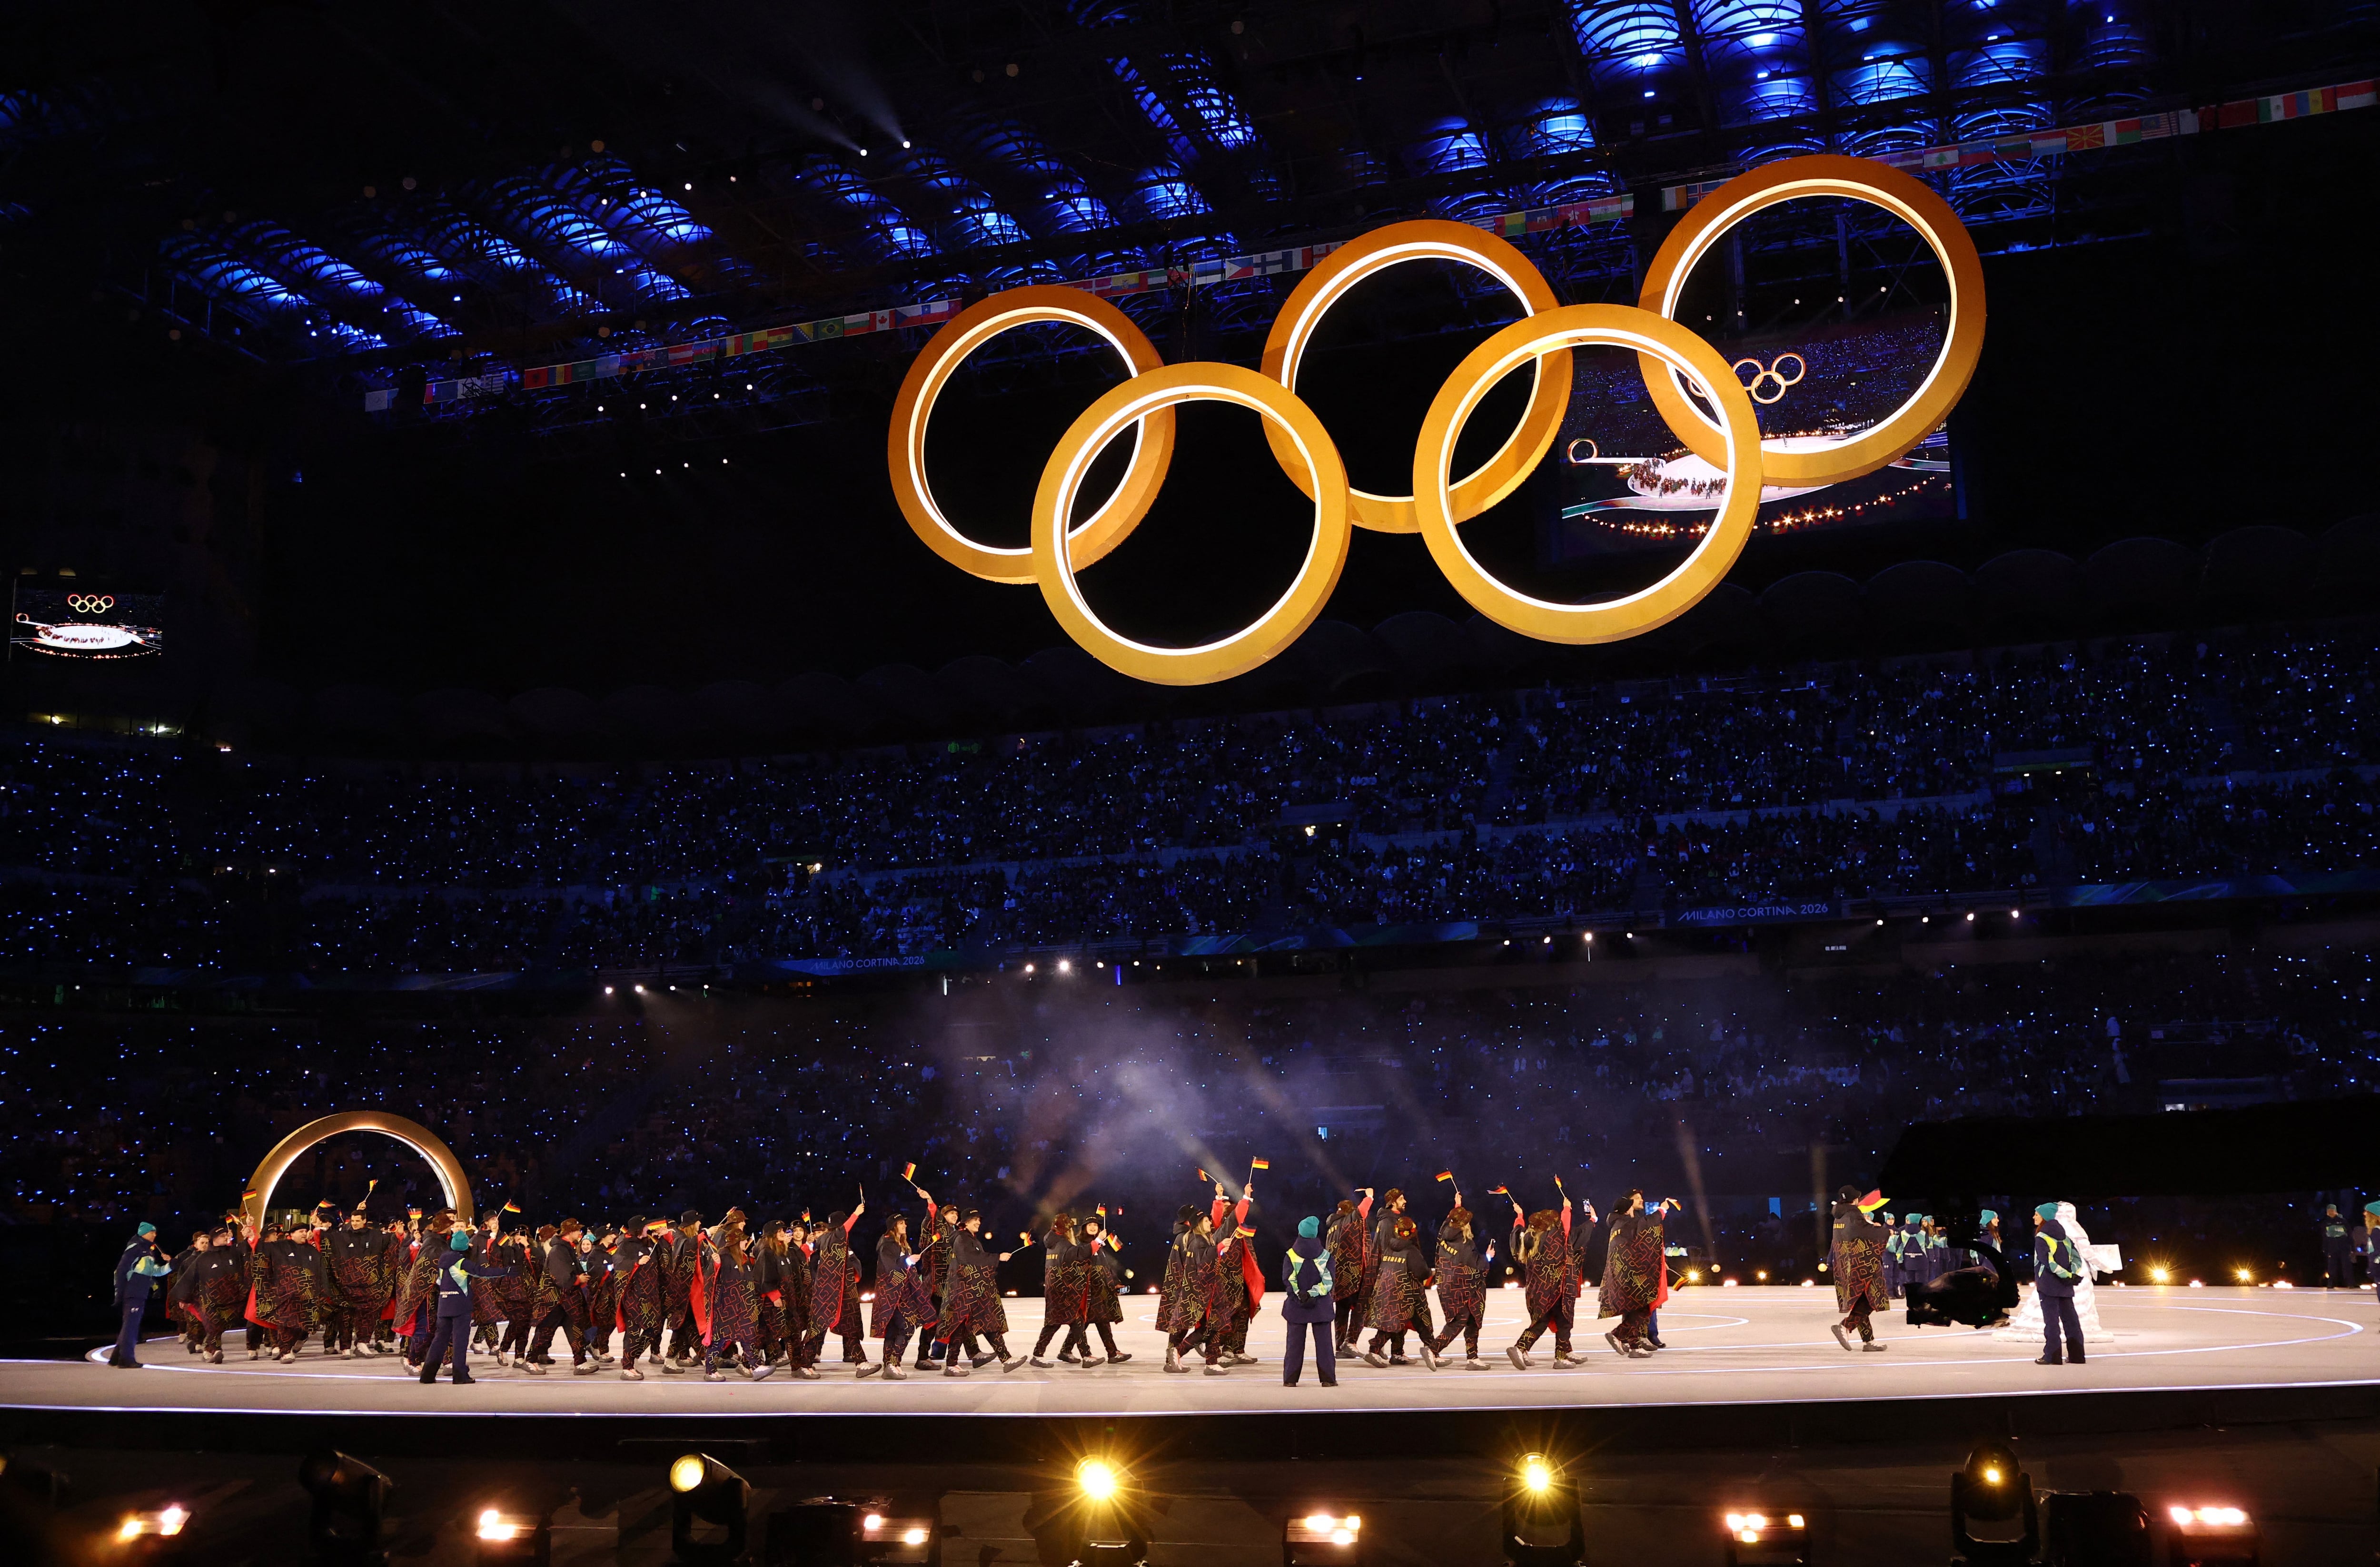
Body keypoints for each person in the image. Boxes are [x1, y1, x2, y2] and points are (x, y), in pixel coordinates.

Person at [1506, 1190, 1591, 1369]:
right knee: (1564, 1322)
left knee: (1542, 1322)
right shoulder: (1553, 1239)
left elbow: (1516, 1232)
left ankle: (1526, 1349)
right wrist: (1567, 1209)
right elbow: (1566, 1227)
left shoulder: (1529, 1240)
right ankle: (1555, 1357)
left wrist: (1520, 1217)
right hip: (1556, 1290)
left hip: (1537, 1292)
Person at [932, 1209, 1020, 1374]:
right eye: (974, 1220)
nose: (978, 1222)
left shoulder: (969, 1239)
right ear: (965, 1223)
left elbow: (975, 1260)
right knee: (971, 1326)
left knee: (977, 1325)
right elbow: (968, 1259)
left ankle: (1005, 1359)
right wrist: (997, 1258)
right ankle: (953, 1364)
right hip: (964, 1292)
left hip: (973, 1291)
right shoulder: (961, 1238)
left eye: (979, 1220)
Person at [417, 1232, 511, 1386]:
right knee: (460, 1342)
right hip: (460, 1306)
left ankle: (427, 1374)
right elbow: (482, 1272)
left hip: (444, 1305)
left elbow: (440, 1282)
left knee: (439, 1340)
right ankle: (460, 1375)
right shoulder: (462, 1263)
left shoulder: (443, 1261)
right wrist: (505, 1271)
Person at [692, 1221, 775, 1382]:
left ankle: (756, 1367)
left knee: (748, 1337)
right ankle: (710, 1371)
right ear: (736, 1242)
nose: (746, 1242)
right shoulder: (723, 1257)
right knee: (719, 1340)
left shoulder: (744, 1259)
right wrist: (716, 1265)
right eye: (743, 1240)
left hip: (744, 1307)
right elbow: (710, 1280)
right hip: (726, 1308)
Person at [804, 1195, 870, 1373]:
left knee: (832, 1328)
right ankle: (804, 1364)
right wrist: (856, 1213)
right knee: (826, 1329)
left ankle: (861, 1363)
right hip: (834, 1292)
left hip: (829, 1292)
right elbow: (846, 1228)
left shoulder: (823, 1239)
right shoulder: (837, 1236)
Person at [1597, 1191, 1666, 1357]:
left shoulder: (1617, 1223)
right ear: (1628, 1209)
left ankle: (1635, 1347)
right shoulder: (1628, 1223)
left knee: (1633, 1308)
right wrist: (1662, 1210)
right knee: (1642, 1308)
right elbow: (1649, 1223)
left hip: (1621, 1274)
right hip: (1631, 1274)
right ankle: (1617, 1334)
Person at [1360, 1214, 1436, 1368]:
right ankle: (1375, 1349)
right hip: (1404, 1295)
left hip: (1385, 1291)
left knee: (1397, 1323)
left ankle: (1398, 1353)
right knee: (1412, 1322)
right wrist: (1431, 1272)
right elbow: (1422, 1272)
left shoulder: (1389, 1248)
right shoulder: (1411, 1251)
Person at [523, 1219, 596, 1376]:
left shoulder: (566, 1248)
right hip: (554, 1301)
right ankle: (531, 1360)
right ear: (570, 1232)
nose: (580, 1233)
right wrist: (578, 1279)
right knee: (545, 1331)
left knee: (575, 1330)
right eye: (577, 1230)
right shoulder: (559, 1251)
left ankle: (580, 1362)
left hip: (566, 1300)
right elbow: (561, 1277)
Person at [1162, 1202, 1227, 1375]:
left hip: (1199, 1288)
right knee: (1187, 1326)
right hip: (1195, 1289)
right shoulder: (1193, 1239)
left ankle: (1210, 1362)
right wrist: (1219, 1248)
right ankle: (1176, 1354)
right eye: (1206, 1220)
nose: (1210, 1223)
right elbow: (1201, 1264)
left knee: (1208, 1325)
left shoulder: (1199, 1238)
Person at [1426, 1206, 1494, 1369]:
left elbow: (1447, 1221)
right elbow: (1479, 1267)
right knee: (1460, 1321)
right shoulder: (1465, 1245)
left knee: (1472, 1320)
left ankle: (1473, 1357)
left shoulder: (1444, 1235)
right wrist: (1488, 1257)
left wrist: (1457, 1207)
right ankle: (1433, 1350)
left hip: (1448, 1287)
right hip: (1465, 1290)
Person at [863, 1211, 929, 1380]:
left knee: (893, 1330)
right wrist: (908, 1261)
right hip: (892, 1296)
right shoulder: (887, 1245)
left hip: (903, 1295)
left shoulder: (902, 1244)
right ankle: (893, 1363)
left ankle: (890, 1365)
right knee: (908, 1327)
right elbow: (890, 1268)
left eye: (905, 1223)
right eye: (901, 1223)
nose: (905, 1225)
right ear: (893, 1227)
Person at [1826, 1186, 1890, 1352]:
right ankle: (1845, 1327)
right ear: (1854, 1200)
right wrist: (1884, 1231)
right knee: (1870, 1300)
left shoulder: (1839, 1216)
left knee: (1860, 1300)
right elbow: (1865, 1233)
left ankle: (1869, 1341)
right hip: (1862, 1265)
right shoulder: (1853, 1214)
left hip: (1846, 1265)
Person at [324, 1207, 390, 1358]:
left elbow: (391, 1246)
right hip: (345, 1286)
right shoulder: (341, 1236)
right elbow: (325, 1240)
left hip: (369, 1286)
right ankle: (345, 1347)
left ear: (364, 1221)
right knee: (346, 1317)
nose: (354, 1224)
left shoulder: (376, 1236)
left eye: (358, 1221)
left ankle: (362, 1343)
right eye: (353, 1221)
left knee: (368, 1316)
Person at [1279, 1215, 1337, 1387]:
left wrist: (1301, 1294)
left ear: (1300, 1232)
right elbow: (1329, 1281)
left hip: (1297, 1306)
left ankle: (1290, 1379)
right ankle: (1328, 1379)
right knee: (1325, 1345)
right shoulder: (1326, 1256)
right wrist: (1313, 1294)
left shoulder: (1291, 1255)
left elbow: (1289, 1279)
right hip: (1321, 1307)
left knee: (1294, 1345)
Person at [1028, 1212, 1090, 1367]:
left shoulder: (1052, 1244)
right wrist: (1097, 1242)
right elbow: (1081, 1255)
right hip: (1062, 1291)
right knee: (1060, 1323)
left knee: (1070, 1322)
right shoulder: (1064, 1245)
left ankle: (1084, 1355)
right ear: (1067, 1230)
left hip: (1053, 1290)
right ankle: (1039, 1355)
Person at [108, 1222, 171, 1369]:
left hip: (139, 1292)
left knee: (130, 1324)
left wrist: (172, 1265)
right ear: (144, 1233)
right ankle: (126, 1360)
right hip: (133, 1292)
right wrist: (119, 1292)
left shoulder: (146, 1249)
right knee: (131, 1326)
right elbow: (121, 1270)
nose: (155, 1235)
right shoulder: (136, 1248)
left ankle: (116, 1357)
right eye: (152, 1232)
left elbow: (154, 1271)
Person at [2031, 1201, 2086, 1366]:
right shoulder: (2065, 1237)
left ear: (2045, 1217)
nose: (2034, 1217)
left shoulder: (2042, 1237)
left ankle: (2052, 1356)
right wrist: (2070, 1275)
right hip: (2066, 1285)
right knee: (2072, 1321)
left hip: (2048, 1285)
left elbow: (2047, 1262)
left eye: (2037, 1214)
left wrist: (2064, 1275)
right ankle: (2077, 1356)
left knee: (2052, 1322)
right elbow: (2077, 1259)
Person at [612, 1218, 667, 1380]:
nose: (648, 1228)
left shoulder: (649, 1242)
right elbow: (618, 1263)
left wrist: (663, 1237)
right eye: (645, 1226)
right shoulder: (626, 1244)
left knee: (655, 1327)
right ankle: (627, 1367)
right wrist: (636, 1262)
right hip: (634, 1297)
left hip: (650, 1296)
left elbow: (665, 1258)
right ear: (638, 1229)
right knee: (633, 1332)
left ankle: (633, 1356)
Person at [1076, 1213, 1130, 1366]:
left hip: (1101, 1290)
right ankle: (1112, 1353)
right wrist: (1098, 1240)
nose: (1093, 1227)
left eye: (1096, 1225)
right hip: (1090, 1291)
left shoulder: (1099, 1246)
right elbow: (1085, 1258)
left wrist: (1115, 1282)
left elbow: (1105, 1267)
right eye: (1090, 1225)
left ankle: (1112, 1353)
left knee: (1097, 1321)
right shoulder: (1082, 1244)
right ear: (1084, 1228)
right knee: (1094, 1321)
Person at [1325, 1190, 1374, 1354]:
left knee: (1342, 1312)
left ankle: (1340, 1348)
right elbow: (1362, 1211)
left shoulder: (1332, 1227)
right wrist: (1370, 1196)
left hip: (1337, 1276)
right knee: (1362, 1308)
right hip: (1353, 1275)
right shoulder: (1351, 1219)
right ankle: (1351, 1341)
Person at [2321, 1203, 2354, 1287]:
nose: (2330, 1212)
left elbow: (2350, 1234)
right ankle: (2331, 1283)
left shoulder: (2343, 1221)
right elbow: (2324, 1237)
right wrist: (2325, 1249)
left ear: (2335, 1211)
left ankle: (2350, 1283)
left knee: (2346, 1266)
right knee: (2331, 1266)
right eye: (2329, 1211)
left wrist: (2352, 1247)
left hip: (2344, 1247)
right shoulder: (2325, 1223)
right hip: (2332, 1247)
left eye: (2332, 1211)